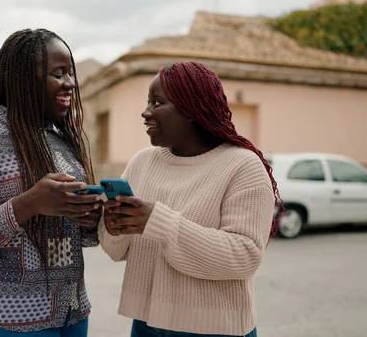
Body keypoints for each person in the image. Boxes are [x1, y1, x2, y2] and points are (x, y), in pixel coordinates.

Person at [0, 28, 102, 337]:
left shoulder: (62, 141)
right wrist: (27, 204)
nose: (70, 83)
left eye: (71, 73)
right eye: (59, 73)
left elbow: (76, 238)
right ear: (25, 78)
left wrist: (90, 222)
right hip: (5, 319)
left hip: (72, 314)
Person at [99, 61, 283, 337]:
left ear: (191, 110)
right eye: (148, 101)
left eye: (157, 103)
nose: (145, 112)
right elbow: (117, 250)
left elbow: (245, 255)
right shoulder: (141, 162)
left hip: (216, 330)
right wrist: (113, 225)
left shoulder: (242, 166)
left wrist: (158, 222)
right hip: (147, 325)